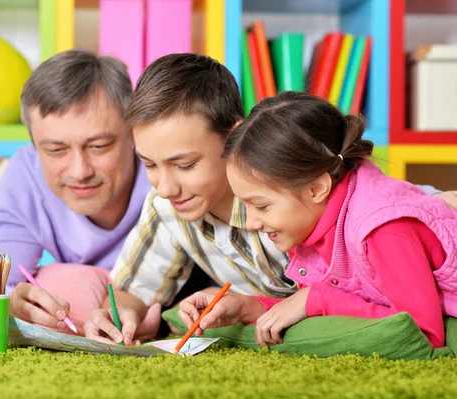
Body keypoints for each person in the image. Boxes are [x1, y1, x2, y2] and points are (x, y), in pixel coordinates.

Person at [84, 53, 457, 346]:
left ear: (234, 137)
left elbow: (404, 229)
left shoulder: (311, 204)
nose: (165, 187)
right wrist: (116, 317)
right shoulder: (169, 206)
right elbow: (132, 288)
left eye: (184, 164)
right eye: (149, 164)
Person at [0, 50, 164, 339]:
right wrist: (9, 305)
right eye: (56, 150)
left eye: (98, 146)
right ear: (34, 146)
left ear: (132, 133)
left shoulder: (166, 174)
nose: (80, 170)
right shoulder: (27, 174)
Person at [178, 91, 457, 348]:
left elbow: (421, 334)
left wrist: (318, 299)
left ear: (316, 188)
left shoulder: (383, 229)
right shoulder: (315, 221)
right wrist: (247, 307)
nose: (250, 223)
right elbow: (345, 304)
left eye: (261, 206)